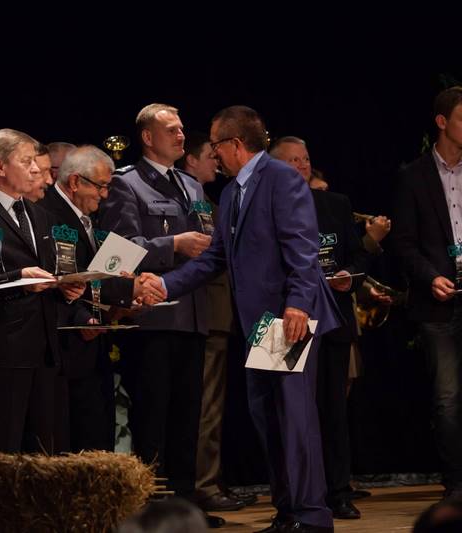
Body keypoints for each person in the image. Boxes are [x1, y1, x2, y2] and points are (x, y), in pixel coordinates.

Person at [143, 106, 342, 533]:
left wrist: (298, 304)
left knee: (294, 419)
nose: (213, 154)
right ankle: (288, 512)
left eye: (216, 145)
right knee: (268, 418)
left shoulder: (281, 178)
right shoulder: (234, 192)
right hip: (259, 326)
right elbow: (215, 257)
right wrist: (163, 285)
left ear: (235, 144)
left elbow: (303, 247)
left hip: (287, 318)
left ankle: (312, 515)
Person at [99, 103, 219, 525]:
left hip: (193, 314)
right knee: (152, 417)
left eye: (182, 128)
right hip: (152, 317)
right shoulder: (126, 183)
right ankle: (150, 512)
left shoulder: (192, 185)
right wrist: (174, 245)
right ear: (148, 137)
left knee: (188, 417)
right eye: (171, 129)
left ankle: (185, 510)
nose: (181, 135)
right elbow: (119, 250)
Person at [0, 128, 84, 454]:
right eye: (26, 162)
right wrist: (20, 278)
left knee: (41, 451)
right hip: (2, 349)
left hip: (45, 348)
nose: (36, 169)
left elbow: (51, 271)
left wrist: (66, 288)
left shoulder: (41, 215)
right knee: (2, 448)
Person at [271, 135, 371, 520]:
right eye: (293, 161)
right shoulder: (268, 207)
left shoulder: (335, 204)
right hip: (285, 321)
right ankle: (293, 497)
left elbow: (357, 254)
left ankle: (338, 492)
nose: (302, 166)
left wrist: (349, 275)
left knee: (333, 410)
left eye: (306, 159)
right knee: (290, 413)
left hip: (333, 319)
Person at [37, 145, 135, 452]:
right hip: (64, 348)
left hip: (95, 343)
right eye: (101, 186)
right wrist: (86, 314)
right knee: (73, 441)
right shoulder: (46, 214)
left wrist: (122, 298)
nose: (105, 195)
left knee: (98, 434)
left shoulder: (91, 216)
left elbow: (95, 272)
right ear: (75, 181)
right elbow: (59, 277)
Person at [391, 86, 462, 502]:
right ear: (442, 122)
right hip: (438, 302)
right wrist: (430, 277)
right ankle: (456, 485)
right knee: (448, 398)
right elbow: (402, 243)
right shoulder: (413, 176)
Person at [177, 132, 255, 512]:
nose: (216, 161)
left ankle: (210, 479)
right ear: (191, 161)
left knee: (213, 407)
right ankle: (202, 484)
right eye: (210, 155)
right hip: (198, 312)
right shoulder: (189, 199)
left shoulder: (210, 199)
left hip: (218, 314)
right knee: (204, 406)